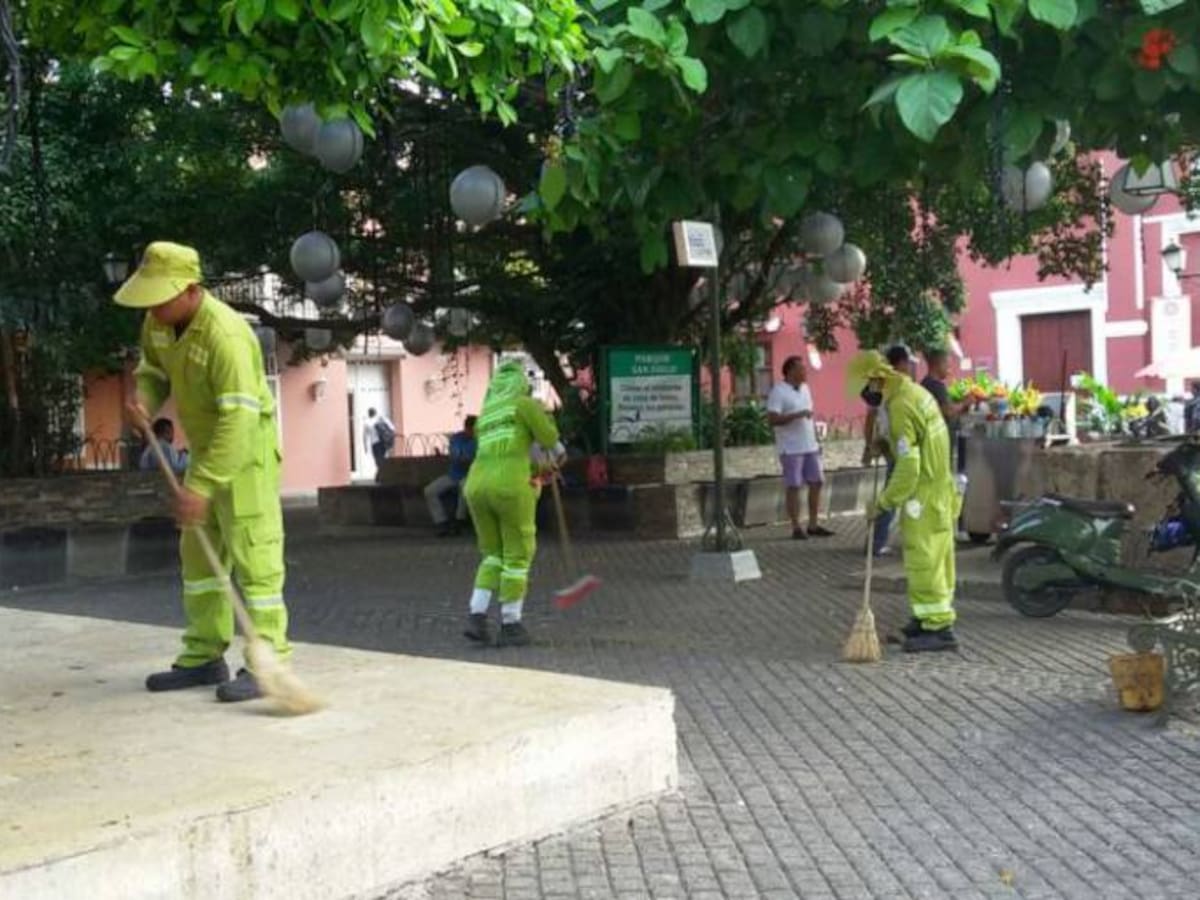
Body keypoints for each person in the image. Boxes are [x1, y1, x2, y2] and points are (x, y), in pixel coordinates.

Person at [114, 241, 291, 702]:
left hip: (247, 452)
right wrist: (145, 404)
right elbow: (153, 373)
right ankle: (204, 655)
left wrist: (205, 485)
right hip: (206, 450)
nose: (152, 306)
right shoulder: (157, 322)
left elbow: (240, 418)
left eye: (161, 296)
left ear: (190, 289)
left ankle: (268, 662)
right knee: (198, 555)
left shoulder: (227, 335)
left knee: (255, 557)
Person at [850, 350, 961, 653]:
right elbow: (913, 442)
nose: (866, 393)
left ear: (878, 381)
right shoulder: (913, 392)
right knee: (937, 558)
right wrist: (883, 445)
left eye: (868, 386)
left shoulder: (899, 407)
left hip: (923, 495)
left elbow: (909, 467)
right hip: (937, 489)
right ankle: (926, 619)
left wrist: (883, 503)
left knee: (923, 560)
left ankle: (939, 628)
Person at [461, 362, 562, 647]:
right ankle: (511, 623)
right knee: (517, 554)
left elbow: (507, 446)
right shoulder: (524, 404)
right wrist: (543, 411)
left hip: (476, 485)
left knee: (492, 554)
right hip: (510, 486)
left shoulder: (487, 415)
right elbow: (549, 439)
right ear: (521, 384)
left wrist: (538, 470)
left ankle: (477, 616)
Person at [767, 356, 833, 540]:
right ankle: (796, 527)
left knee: (817, 482)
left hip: (810, 444)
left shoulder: (805, 389)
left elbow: (809, 416)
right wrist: (796, 415)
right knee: (794, 485)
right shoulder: (778, 392)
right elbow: (772, 419)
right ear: (790, 371)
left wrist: (817, 440)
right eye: (801, 369)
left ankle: (813, 524)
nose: (805, 372)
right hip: (791, 447)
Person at [861, 345, 912, 557]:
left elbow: (871, 414)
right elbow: (872, 415)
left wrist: (870, 445)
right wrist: (870, 445)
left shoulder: (880, 382)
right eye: (907, 363)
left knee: (896, 493)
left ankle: (878, 540)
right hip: (897, 444)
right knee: (892, 495)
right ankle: (876, 541)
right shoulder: (894, 384)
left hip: (891, 443)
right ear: (900, 363)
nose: (908, 367)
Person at [424, 416, 477, 536]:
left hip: (472, 474)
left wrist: (464, 459)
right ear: (466, 428)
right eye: (471, 429)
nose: (472, 433)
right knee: (429, 491)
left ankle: (459, 521)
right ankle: (441, 522)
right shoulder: (456, 438)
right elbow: (455, 455)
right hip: (454, 474)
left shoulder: (480, 440)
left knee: (464, 488)